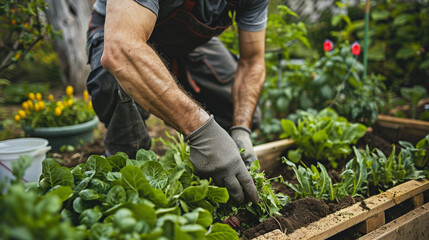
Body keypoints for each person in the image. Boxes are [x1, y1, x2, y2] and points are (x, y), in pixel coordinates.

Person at [86, 0, 268, 204]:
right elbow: (121, 49)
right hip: (121, 31)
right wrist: (203, 133)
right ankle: (127, 182)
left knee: (238, 110)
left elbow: (252, 61)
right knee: (114, 84)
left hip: (184, 43)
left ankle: (223, 161)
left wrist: (241, 129)